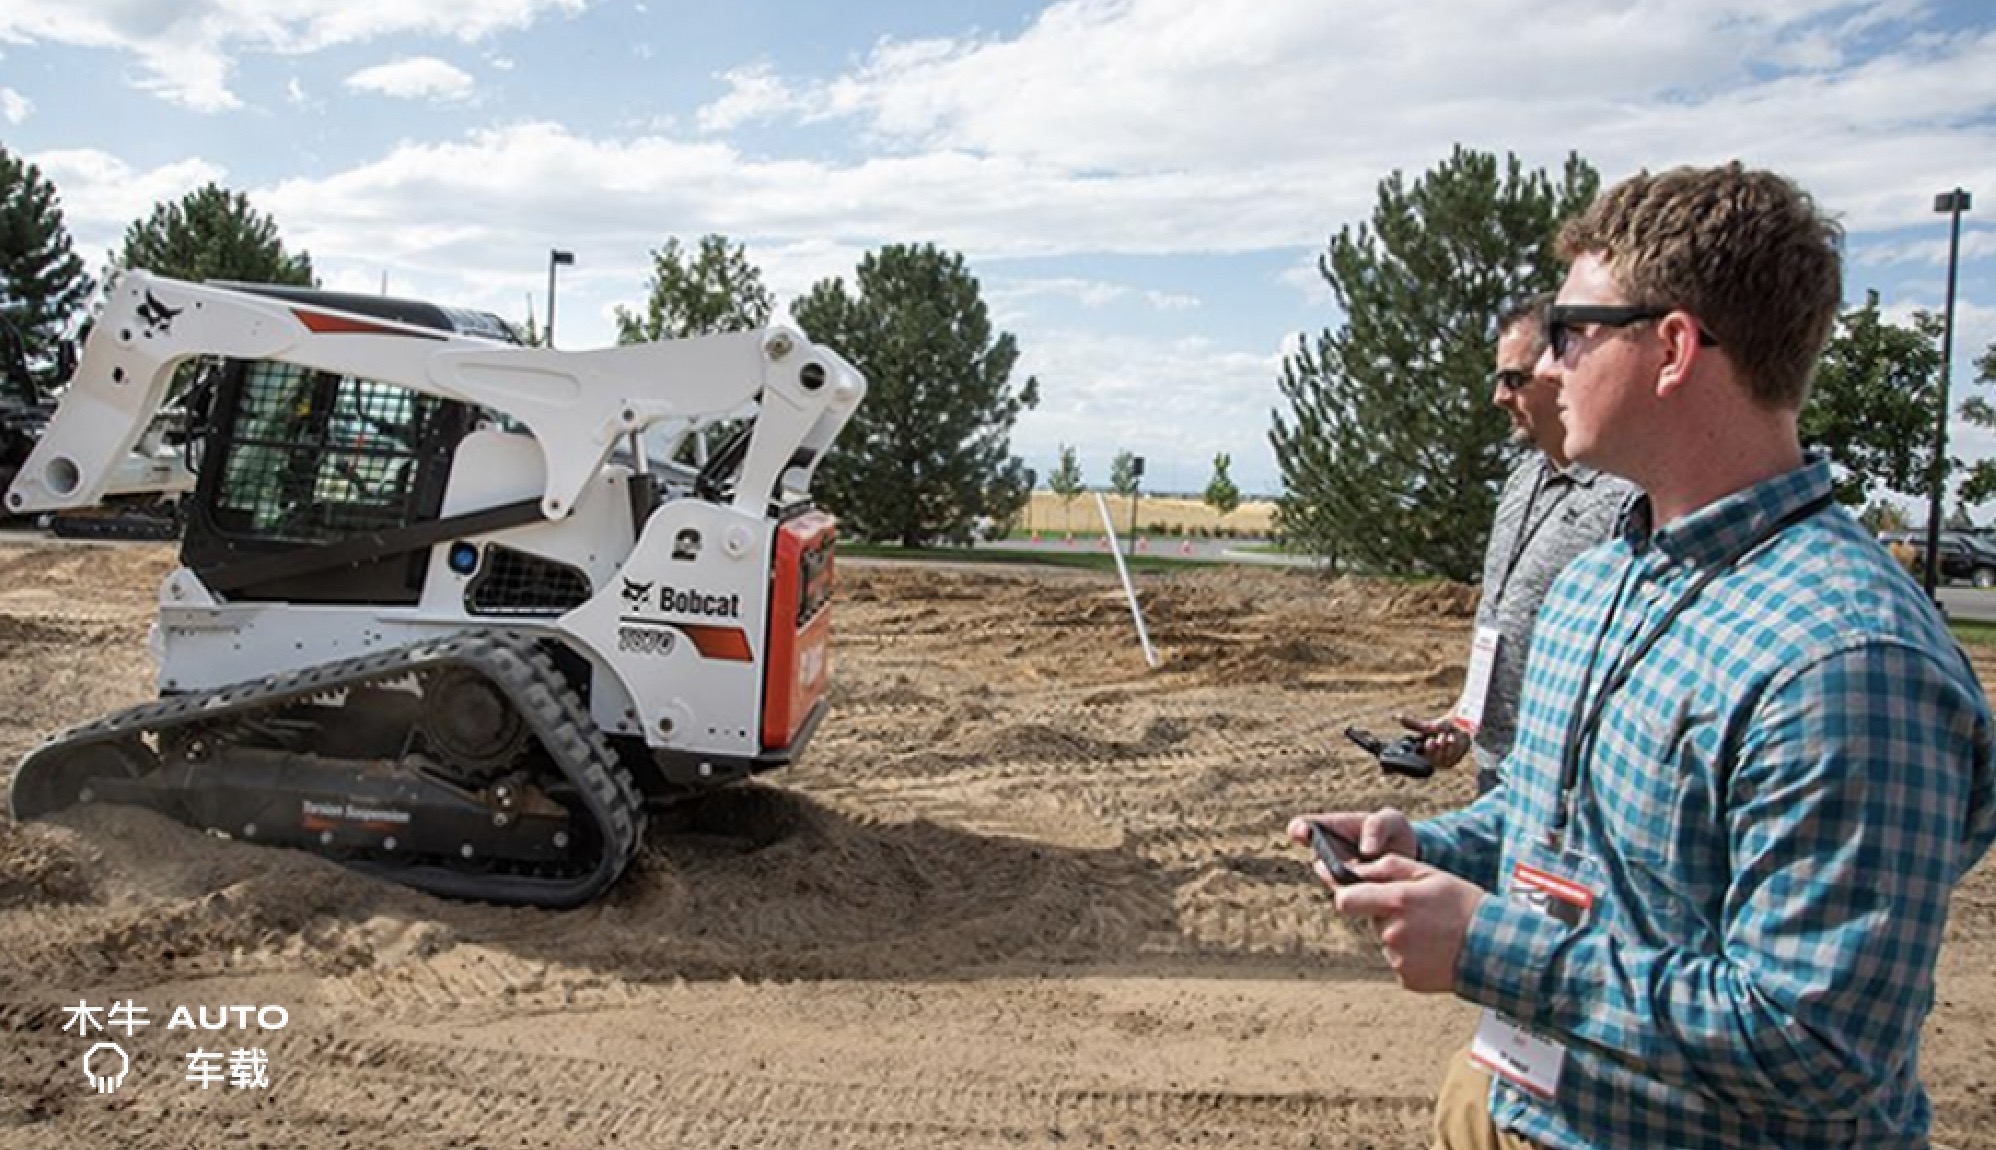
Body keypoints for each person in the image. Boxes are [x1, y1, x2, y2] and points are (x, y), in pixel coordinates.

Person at [1293, 163, 1996, 1150]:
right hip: (1508, 1100)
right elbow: (1559, 822)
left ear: (1671, 348)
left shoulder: (1844, 659)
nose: (1546, 363)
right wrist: (1425, 849)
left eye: (1572, 331)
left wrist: (1489, 946)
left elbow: (1820, 1046)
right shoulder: (1599, 579)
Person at [1399, 294, 1635, 794]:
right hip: (1498, 772)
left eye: (1513, 380)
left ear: (1564, 369)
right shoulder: (1522, 480)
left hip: (1565, 784)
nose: (1499, 398)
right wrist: (1466, 719)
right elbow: (1501, 619)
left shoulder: (1629, 499)